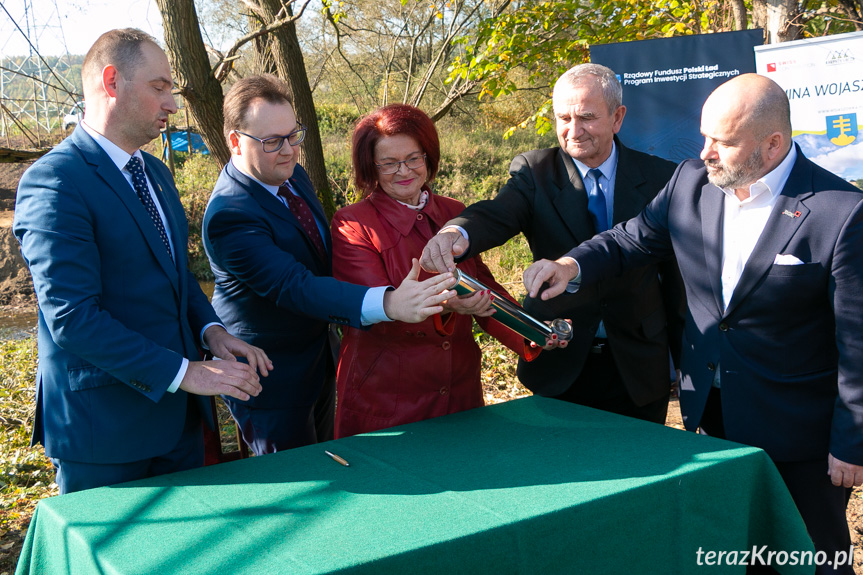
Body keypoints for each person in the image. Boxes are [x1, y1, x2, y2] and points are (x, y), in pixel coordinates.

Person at [523, 73, 863, 570]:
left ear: (772, 144)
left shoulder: (842, 213)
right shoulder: (691, 182)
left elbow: (857, 342)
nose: (704, 153)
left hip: (800, 436)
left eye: (722, 142)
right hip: (711, 415)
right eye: (704, 136)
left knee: (807, 556)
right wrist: (571, 265)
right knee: (733, 549)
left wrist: (852, 442)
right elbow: (631, 238)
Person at [12, 29, 271, 495]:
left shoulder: (155, 172)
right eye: (159, 87)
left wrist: (214, 333)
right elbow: (73, 319)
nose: (172, 103)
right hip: (104, 436)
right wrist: (185, 373)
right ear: (112, 82)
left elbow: (177, 278)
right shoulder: (54, 181)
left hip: (181, 427)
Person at [202, 76, 456, 455]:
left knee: (329, 460)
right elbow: (296, 285)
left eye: (293, 136)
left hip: (321, 358)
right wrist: (388, 303)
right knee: (299, 485)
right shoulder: (230, 216)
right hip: (271, 377)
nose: (289, 151)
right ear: (236, 142)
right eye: (272, 141)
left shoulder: (289, 175)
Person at [421, 63, 683, 424]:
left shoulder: (661, 177)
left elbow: (677, 279)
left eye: (587, 117)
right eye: (564, 117)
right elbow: (497, 214)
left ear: (617, 117)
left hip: (638, 365)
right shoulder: (535, 171)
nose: (574, 131)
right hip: (559, 359)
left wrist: (686, 367)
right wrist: (457, 233)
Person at [331, 104, 542, 438]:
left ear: (428, 157)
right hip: (387, 396)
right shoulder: (353, 222)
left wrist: (536, 332)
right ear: (370, 167)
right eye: (389, 163)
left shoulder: (455, 213)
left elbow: (484, 287)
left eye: (414, 158)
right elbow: (378, 305)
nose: (404, 171)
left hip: (459, 390)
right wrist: (451, 303)